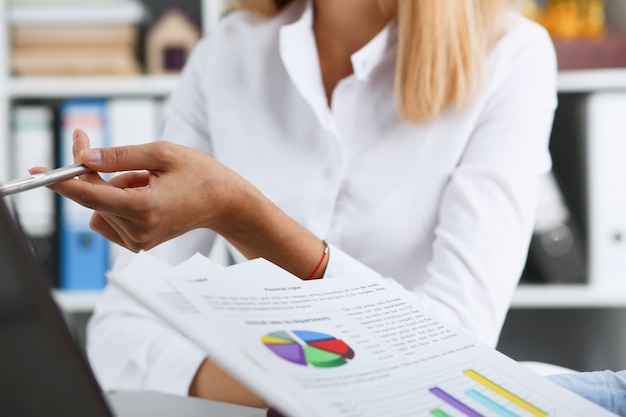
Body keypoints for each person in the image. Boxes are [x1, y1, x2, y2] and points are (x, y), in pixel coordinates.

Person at [36, 0, 558, 409]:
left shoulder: (512, 54)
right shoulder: (225, 56)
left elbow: (454, 349)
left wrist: (237, 209)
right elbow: (118, 337)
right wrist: (289, 391)